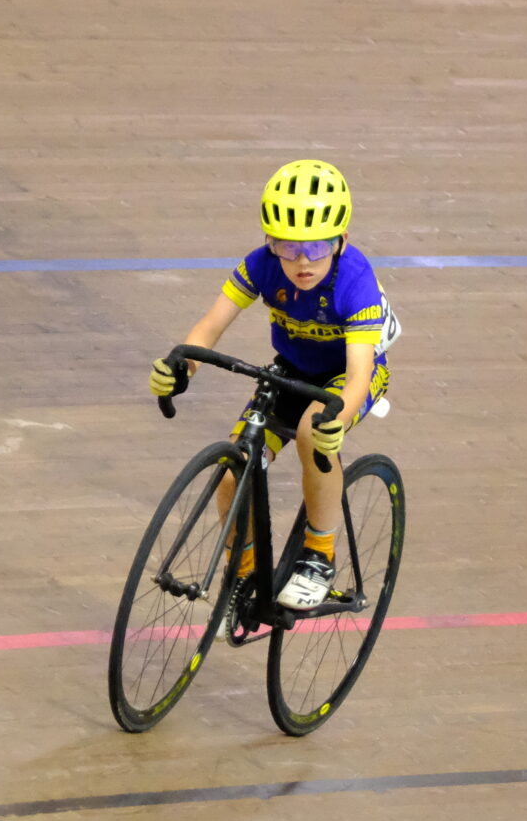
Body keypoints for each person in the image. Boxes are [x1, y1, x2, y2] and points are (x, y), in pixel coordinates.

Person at [149, 159, 395, 610]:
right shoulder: (260, 266)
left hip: (346, 377)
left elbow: (360, 374)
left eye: (317, 247)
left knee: (311, 435)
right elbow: (211, 326)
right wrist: (182, 368)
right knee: (233, 469)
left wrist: (337, 418)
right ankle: (241, 579)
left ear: (341, 240)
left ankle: (319, 555)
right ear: (269, 241)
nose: (302, 262)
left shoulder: (355, 281)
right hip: (291, 370)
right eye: (287, 246)